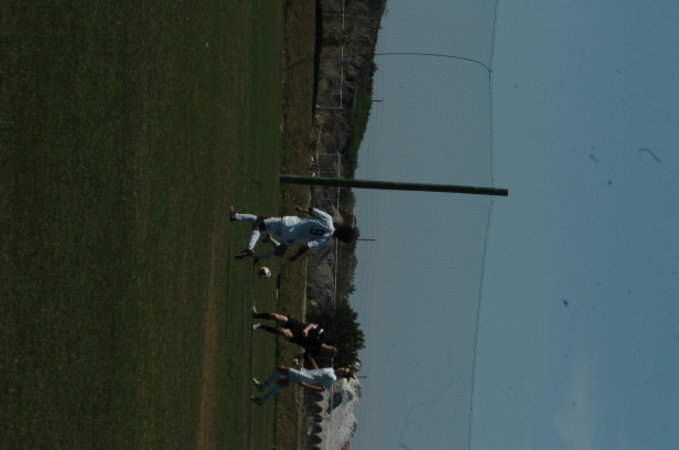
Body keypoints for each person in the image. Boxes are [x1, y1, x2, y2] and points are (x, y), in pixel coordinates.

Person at [229, 205, 355, 261]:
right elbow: (306, 246)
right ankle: (235, 217)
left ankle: (249, 249)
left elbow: (312, 210)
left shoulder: (328, 220)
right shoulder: (324, 241)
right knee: (263, 218)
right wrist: (296, 256)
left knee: (258, 225)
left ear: (342, 228)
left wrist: (301, 209)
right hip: (292, 237)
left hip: (290, 224)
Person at [250, 357, 352, 405]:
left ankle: (263, 386)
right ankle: (262, 399)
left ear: (343, 375)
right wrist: (312, 360)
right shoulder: (331, 369)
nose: (342, 369)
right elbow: (318, 371)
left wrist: (306, 385)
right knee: (282, 383)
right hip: (305, 374)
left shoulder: (333, 378)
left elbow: (322, 388)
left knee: (281, 369)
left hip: (305, 378)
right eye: (344, 368)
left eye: (344, 371)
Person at [251, 307, 337, 362]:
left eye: (327, 352)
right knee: (274, 316)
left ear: (325, 354)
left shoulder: (316, 353)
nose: (326, 349)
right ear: (330, 346)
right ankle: (256, 315)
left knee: (282, 331)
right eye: (329, 349)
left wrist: (296, 359)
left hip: (295, 338)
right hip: (298, 326)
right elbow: (313, 325)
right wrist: (306, 330)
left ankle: (261, 326)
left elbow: (303, 356)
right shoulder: (323, 336)